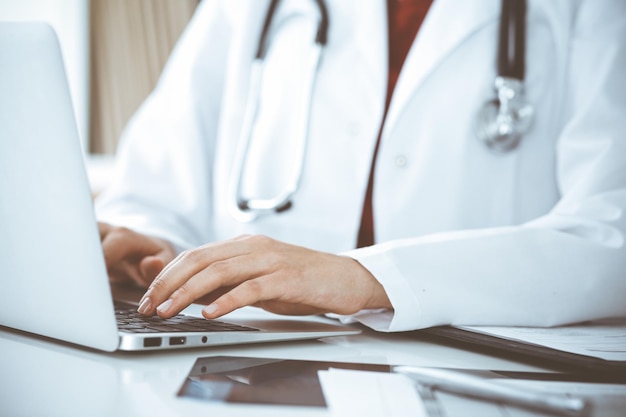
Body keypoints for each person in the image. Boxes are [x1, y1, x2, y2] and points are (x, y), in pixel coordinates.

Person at [96, 0, 626, 332]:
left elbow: (611, 232)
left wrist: (370, 277)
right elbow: (156, 183)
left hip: (473, 377)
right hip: (250, 364)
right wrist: (151, 244)